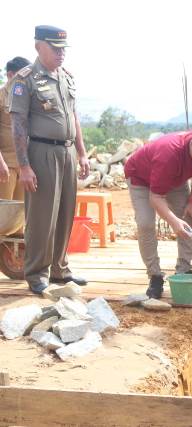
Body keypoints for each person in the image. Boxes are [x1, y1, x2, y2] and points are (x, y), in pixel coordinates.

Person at [8, 26, 90, 295]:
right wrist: (24, 166)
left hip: (66, 152)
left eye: (63, 48)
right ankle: (36, 273)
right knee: (42, 216)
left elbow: (73, 117)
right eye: (54, 48)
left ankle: (59, 269)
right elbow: (18, 124)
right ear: (38, 47)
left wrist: (82, 152)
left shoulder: (66, 77)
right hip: (41, 153)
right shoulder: (25, 80)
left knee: (65, 213)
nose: (60, 53)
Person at [124, 125, 192, 298]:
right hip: (141, 178)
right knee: (145, 224)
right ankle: (155, 276)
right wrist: (173, 222)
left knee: (188, 217)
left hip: (174, 178)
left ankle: (184, 271)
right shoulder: (169, 154)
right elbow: (156, 197)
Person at [1, 57, 31, 202]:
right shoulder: (1, 97)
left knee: (20, 216)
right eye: (22, 74)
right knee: (3, 216)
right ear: (10, 75)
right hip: (6, 166)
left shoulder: (26, 97)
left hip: (24, 166)